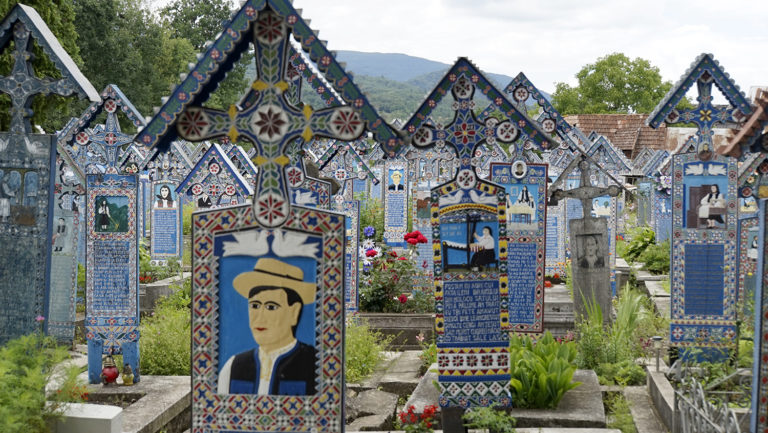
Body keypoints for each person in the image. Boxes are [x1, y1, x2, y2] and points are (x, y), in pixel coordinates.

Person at [218, 258, 317, 395]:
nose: (260, 316)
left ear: (294, 312)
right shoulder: (234, 367)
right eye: (255, 305)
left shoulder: (315, 365)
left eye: (271, 307)